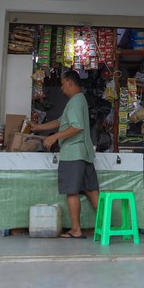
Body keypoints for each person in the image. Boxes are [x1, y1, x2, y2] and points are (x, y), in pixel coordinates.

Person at [31, 70, 99, 239]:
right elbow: (60, 121)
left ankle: (76, 229)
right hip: (84, 153)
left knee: (72, 192)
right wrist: (39, 127)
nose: (61, 88)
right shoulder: (78, 100)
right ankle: (105, 226)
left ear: (69, 83)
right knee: (91, 190)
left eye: (62, 84)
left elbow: (77, 127)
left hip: (73, 153)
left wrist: (54, 137)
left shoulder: (75, 101)